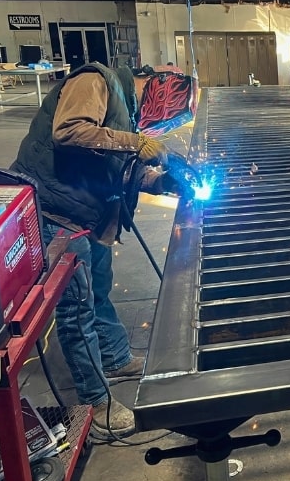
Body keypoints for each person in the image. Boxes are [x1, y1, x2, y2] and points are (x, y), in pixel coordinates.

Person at [10, 61, 196, 438]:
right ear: (159, 89)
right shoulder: (96, 81)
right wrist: (136, 143)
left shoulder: (124, 111)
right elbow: (70, 131)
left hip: (87, 212)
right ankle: (96, 402)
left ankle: (113, 357)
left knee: (98, 288)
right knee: (77, 307)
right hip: (54, 211)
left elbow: (120, 167)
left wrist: (164, 183)